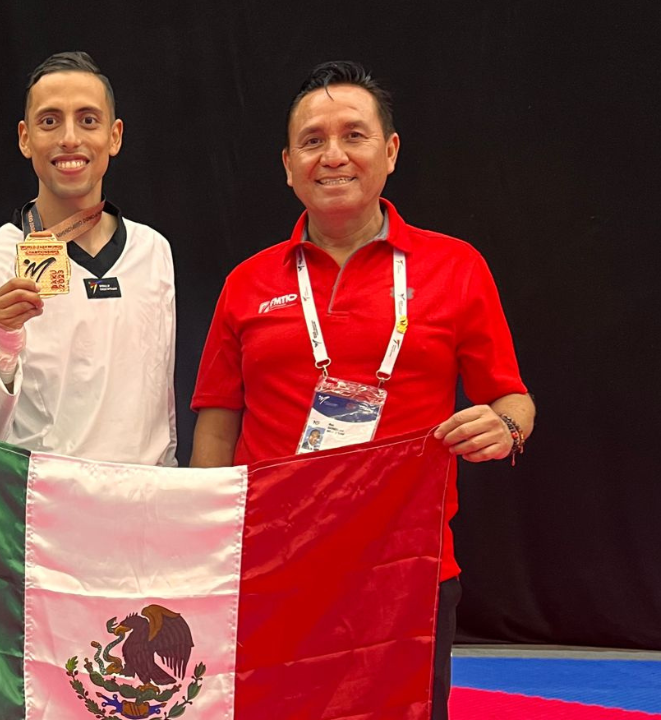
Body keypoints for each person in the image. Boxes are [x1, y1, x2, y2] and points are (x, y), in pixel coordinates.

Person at [189, 61, 535, 719]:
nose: (334, 155)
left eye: (355, 134)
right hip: (270, 571)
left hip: (405, 573)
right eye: (313, 140)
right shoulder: (247, 282)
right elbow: (216, 424)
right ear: (288, 164)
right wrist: (206, 541)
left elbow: (512, 398)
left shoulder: (456, 267)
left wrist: (505, 427)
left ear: (391, 151)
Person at [0, 52, 176, 465]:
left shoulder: (154, 251)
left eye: (88, 120)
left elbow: (162, 409)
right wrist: (3, 342)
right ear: (25, 137)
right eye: (49, 121)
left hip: (144, 508)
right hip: (41, 516)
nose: (69, 138)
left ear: (115, 135)